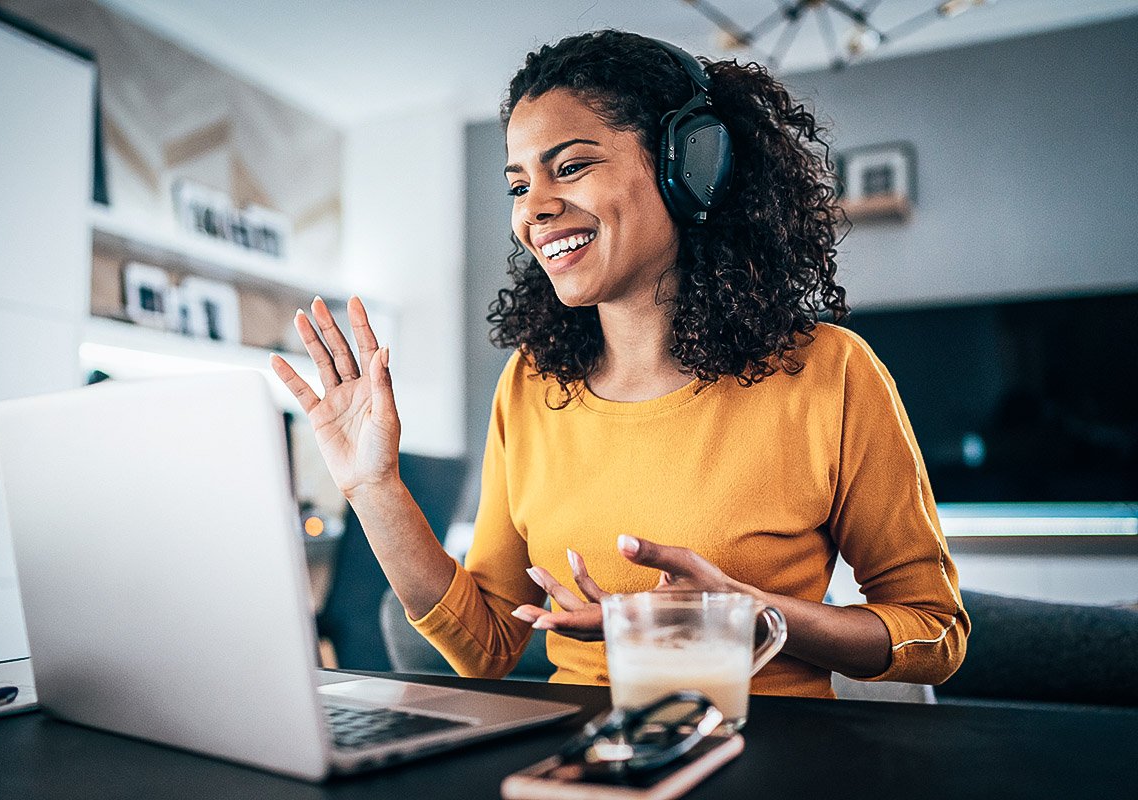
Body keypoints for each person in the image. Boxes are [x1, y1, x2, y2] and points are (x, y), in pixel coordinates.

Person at [271, 30, 969, 699]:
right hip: (586, 758)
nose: (534, 211)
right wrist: (375, 488)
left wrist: (754, 614)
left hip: (770, 749)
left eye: (569, 167)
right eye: (518, 185)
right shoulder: (533, 382)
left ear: (692, 166)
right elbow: (486, 648)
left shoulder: (831, 373)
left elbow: (935, 635)